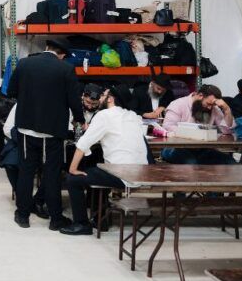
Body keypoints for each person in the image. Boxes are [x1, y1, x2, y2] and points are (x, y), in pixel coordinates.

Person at [8, 37, 84, 230]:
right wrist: (80, 119)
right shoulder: (66, 69)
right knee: (52, 175)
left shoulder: (24, 64)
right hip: (52, 131)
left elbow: (11, 91)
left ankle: (23, 216)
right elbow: (74, 100)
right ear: (62, 54)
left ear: (47, 47)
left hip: (26, 128)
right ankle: (55, 219)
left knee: (26, 173)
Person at [60, 87, 149, 235]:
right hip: (141, 173)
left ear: (110, 99)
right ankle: (101, 220)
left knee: (73, 179)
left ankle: (82, 224)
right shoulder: (133, 116)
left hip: (122, 174)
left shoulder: (104, 115)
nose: (100, 98)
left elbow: (83, 143)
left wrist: (72, 169)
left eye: (103, 95)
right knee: (98, 170)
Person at [161, 84, 236, 165]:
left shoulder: (214, 108)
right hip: (176, 147)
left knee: (230, 162)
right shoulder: (178, 104)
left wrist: (227, 109)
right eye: (208, 104)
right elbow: (167, 126)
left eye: (213, 105)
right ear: (200, 96)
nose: (210, 108)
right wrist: (194, 133)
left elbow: (226, 131)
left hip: (202, 149)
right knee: (192, 164)